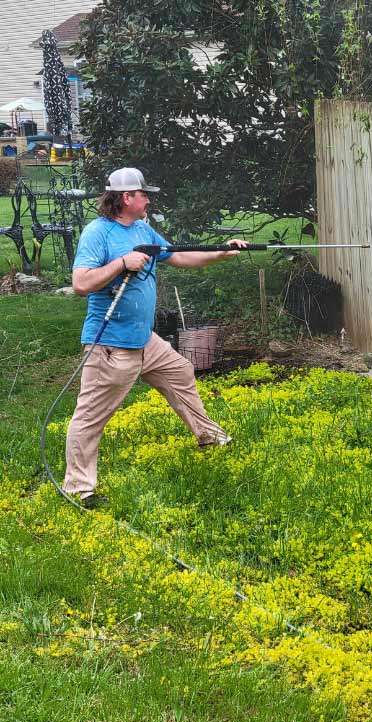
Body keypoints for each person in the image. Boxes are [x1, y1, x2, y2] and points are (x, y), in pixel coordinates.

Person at [63, 167, 247, 508]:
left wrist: (222, 252)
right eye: (144, 194)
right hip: (110, 344)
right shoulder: (98, 233)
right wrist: (122, 263)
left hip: (143, 340)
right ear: (126, 197)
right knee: (90, 417)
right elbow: (81, 284)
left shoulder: (142, 228)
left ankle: (209, 436)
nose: (149, 199)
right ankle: (79, 489)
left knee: (180, 371)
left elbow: (178, 256)